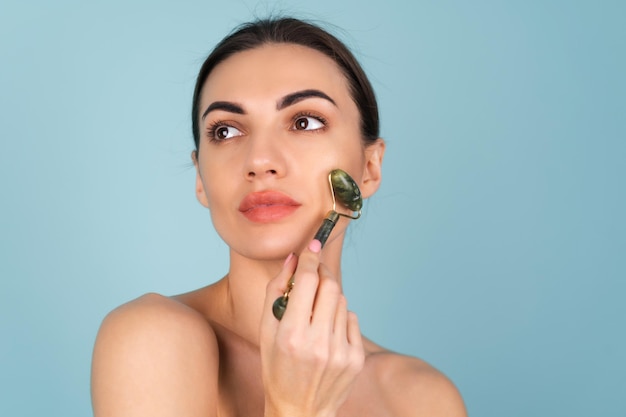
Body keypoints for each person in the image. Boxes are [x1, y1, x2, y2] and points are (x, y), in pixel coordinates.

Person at [91, 17, 467, 417]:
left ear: (370, 168)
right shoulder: (151, 339)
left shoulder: (421, 398)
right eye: (226, 132)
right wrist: (293, 408)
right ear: (201, 179)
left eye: (304, 122)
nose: (259, 160)